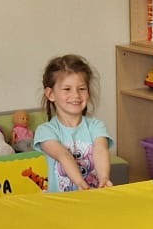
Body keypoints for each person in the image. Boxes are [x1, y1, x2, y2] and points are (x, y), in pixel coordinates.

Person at [36, 53, 114, 191]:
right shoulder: (45, 131)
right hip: (61, 202)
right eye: (67, 89)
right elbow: (63, 155)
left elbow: (101, 150)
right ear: (50, 94)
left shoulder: (96, 126)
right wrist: (81, 184)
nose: (76, 95)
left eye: (82, 89)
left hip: (93, 199)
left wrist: (104, 178)